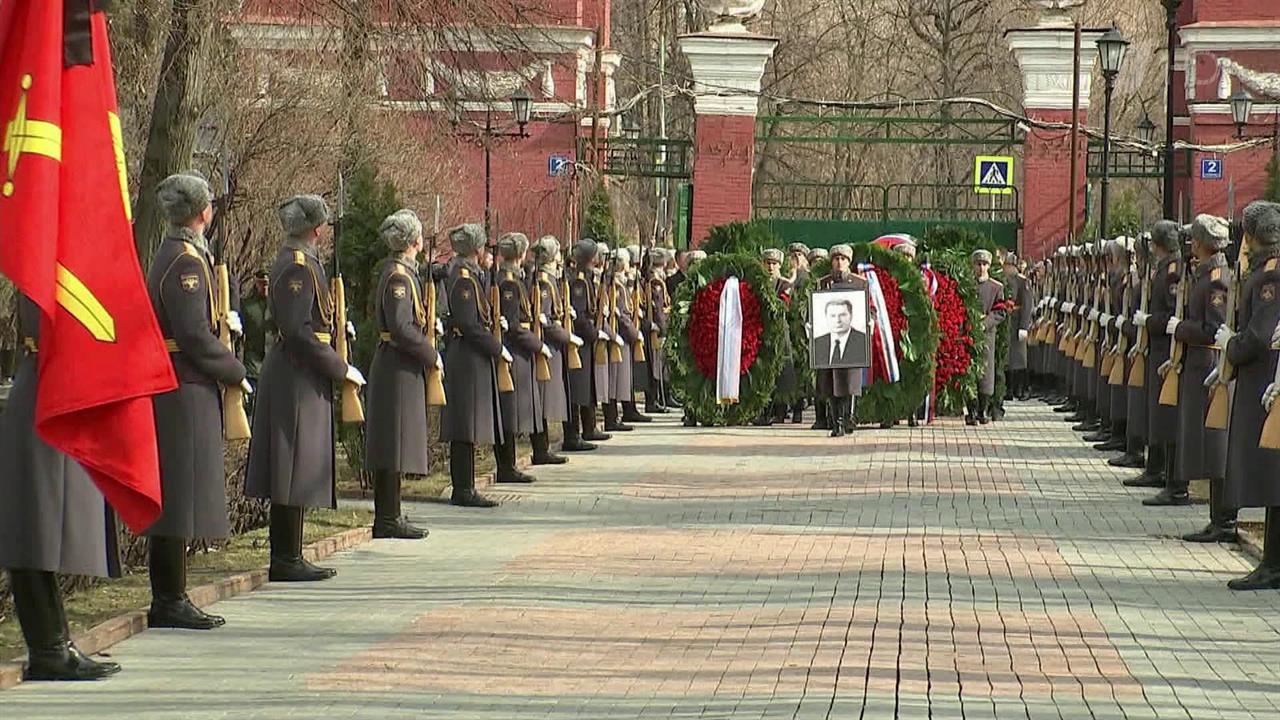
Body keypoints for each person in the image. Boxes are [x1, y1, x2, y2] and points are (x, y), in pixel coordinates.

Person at [144, 172, 249, 628]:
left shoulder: (181, 254)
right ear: (201, 211)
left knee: (180, 493)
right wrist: (235, 369)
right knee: (178, 495)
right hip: (182, 386)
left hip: (182, 384)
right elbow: (191, 335)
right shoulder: (186, 261)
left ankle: (173, 594)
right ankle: (169, 598)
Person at [0, 295, 122, 680]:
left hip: (55, 390)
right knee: (33, 533)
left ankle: (55, 643)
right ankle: (48, 648)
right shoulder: (46, 267)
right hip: (45, 395)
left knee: (40, 532)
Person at [245, 194, 361, 581]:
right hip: (296, 372)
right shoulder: (297, 266)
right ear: (315, 229)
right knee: (290, 465)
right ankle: (285, 558)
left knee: (295, 465)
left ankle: (291, 553)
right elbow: (297, 330)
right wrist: (339, 366)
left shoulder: (303, 262)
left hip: (301, 371)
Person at [363, 209, 437, 539]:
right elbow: (402, 327)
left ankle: (391, 514)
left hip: (398, 364)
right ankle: (387, 518)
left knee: (395, 442)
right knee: (391, 443)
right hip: (396, 364)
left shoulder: (402, 273)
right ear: (414, 242)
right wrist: (430, 353)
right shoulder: (398, 277)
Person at [1160, 215, 1232, 523]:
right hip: (1194, 364)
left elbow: (1212, 330)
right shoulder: (1202, 273)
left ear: (1201, 243)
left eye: (1194, 240)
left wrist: (1180, 329)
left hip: (1206, 364)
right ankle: (1215, 518)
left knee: (1213, 445)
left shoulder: (1215, 278)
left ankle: (1222, 520)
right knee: (1197, 440)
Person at [1223, 201, 1280, 589]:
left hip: (1264, 382)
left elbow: (1258, 337)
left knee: (1271, 476)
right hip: (1267, 380)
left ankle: (1273, 563)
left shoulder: (1267, 278)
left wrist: (1231, 345)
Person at [439, 224, 505, 507]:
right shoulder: (464, 279)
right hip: (466, 357)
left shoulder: (470, 275)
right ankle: (463, 489)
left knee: (468, 424)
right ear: (476, 249)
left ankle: (466, 486)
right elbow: (468, 324)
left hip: (470, 357)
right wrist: (496, 347)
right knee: (464, 425)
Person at [1127, 220, 1183, 491]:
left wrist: (1149, 321)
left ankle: (1159, 469)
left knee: (1162, 414)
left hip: (1165, 349)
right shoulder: (1161, 268)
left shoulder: (1172, 271)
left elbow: (1172, 312)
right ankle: (1154, 466)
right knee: (1154, 411)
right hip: (1155, 347)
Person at [494, 232, 543, 484]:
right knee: (509, 413)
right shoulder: (509, 283)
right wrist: (537, 344)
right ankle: (506, 466)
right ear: (521, 254)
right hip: (514, 351)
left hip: (516, 350)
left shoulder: (510, 279)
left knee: (510, 412)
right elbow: (514, 325)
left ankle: (508, 465)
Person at [529, 236, 577, 461]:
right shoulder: (544, 283)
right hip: (546, 347)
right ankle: (541, 449)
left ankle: (543, 447)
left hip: (551, 347)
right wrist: (567, 337)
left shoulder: (549, 279)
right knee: (542, 400)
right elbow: (545, 321)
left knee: (545, 400)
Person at [815, 245, 865, 437]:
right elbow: (816, 308)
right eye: (836, 259)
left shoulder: (860, 283)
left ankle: (848, 418)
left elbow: (869, 307)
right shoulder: (823, 283)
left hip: (852, 340)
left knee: (850, 381)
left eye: (843, 259)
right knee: (831, 383)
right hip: (829, 341)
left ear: (849, 262)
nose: (839, 262)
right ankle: (836, 423)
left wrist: (869, 320)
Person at [569, 239, 612, 442]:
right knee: (580, 387)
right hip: (581, 340)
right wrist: (594, 333)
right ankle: (580, 431)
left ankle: (589, 427)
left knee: (588, 385)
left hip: (587, 338)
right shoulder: (579, 281)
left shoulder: (587, 278)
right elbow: (579, 314)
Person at [756, 248, 796, 426]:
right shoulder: (756, 284)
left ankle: (778, 410)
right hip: (760, 332)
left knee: (781, 371)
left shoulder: (785, 285)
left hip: (780, 331)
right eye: (767, 263)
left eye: (774, 264)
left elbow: (782, 305)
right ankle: (762, 410)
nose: (770, 267)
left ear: (779, 266)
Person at [969, 249, 1006, 425]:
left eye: (984, 264)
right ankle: (971, 410)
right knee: (969, 371)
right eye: (978, 264)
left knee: (986, 372)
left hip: (986, 334)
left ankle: (983, 409)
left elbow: (1000, 311)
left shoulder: (996, 287)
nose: (981, 268)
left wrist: (985, 322)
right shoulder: (967, 285)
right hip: (969, 333)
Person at [642, 248, 672, 415]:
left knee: (656, 366)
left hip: (656, 328)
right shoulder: (656, 283)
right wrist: (662, 329)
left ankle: (655, 399)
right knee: (654, 366)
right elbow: (658, 309)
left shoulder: (655, 280)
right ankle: (652, 400)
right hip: (655, 330)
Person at [240, 269, 272, 415]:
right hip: (253, 366)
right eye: (261, 283)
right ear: (256, 284)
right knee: (252, 410)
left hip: (274, 364)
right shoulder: (247, 306)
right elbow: (240, 336)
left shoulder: (278, 306)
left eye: (266, 284)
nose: (264, 287)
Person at [1003, 253, 1033, 401]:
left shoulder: (1022, 282)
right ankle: (1009, 389)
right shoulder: (1004, 280)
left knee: (1020, 358)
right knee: (1008, 358)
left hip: (1017, 321)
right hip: (1007, 321)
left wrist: (1024, 326)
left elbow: (1027, 305)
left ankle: (1022, 388)